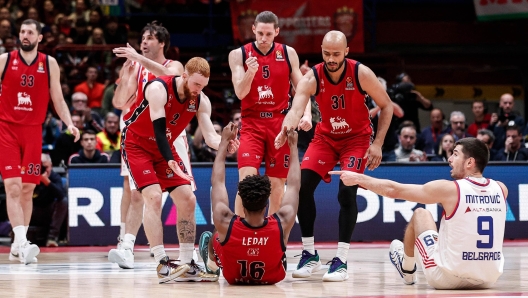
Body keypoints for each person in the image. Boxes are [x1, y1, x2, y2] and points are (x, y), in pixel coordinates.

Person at [274, 30, 394, 282]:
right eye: (326, 53)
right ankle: (309, 254)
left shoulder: (360, 72)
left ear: (347, 52)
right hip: (326, 138)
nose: (331, 58)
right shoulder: (312, 76)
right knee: (302, 187)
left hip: (357, 139)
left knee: (346, 191)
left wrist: (378, 144)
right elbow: (296, 109)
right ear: (321, 50)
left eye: (336, 54)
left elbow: (387, 105)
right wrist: (286, 129)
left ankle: (341, 260)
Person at [112, 57, 237, 283]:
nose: (199, 90)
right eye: (196, 85)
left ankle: (187, 262)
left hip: (164, 148)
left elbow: (209, 136)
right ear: (185, 76)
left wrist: (225, 144)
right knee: (153, 196)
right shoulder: (159, 88)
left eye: (203, 86)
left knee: (188, 199)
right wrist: (170, 160)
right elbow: (159, 131)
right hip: (137, 144)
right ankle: (162, 263)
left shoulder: (200, 100)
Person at [330, 137, 508, 289]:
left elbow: (394, 190)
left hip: (448, 278)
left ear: (470, 162)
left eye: (455, 154)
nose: (450, 159)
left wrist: (359, 178)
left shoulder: (450, 189)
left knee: (421, 214)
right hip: (488, 278)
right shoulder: (501, 189)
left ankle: (407, 269)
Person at [0, 19, 80, 265]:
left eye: (30, 32)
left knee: (27, 189)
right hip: (7, 130)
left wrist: (69, 123)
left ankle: (17, 243)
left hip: (34, 132)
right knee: (12, 187)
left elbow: (58, 98)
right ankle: (23, 243)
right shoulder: (4, 60)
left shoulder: (49, 63)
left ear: (39, 37)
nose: (25, 35)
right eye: (22, 31)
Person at [108, 21, 189, 259]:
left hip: (171, 135)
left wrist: (139, 59)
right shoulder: (135, 66)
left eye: (150, 38)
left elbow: (173, 76)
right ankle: (127, 245)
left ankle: (186, 252)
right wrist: (126, 76)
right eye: (142, 38)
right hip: (139, 136)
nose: (144, 42)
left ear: (162, 43)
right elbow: (118, 102)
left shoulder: (173, 65)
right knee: (135, 192)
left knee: (183, 193)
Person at [199, 124, 300, 285]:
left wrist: (224, 142)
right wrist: (293, 148)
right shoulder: (283, 221)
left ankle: (212, 265)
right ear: (266, 204)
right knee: (280, 241)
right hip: (271, 278)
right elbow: (294, 186)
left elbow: (217, 183)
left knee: (215, 235)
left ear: (242, 204)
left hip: (234, 278)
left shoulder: (225, 221)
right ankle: (275, 258)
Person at [228, 10, 307, 216]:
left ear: (277, 32)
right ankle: (239, 230)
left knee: (277, 183)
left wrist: (306, 114)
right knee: (246, 180)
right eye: (260, 33)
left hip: (280, 124)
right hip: (252, 123)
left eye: (268, 34)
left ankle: (273, 235)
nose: (263, 39)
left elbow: (302, 89)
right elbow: (239, 92)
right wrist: (250, 73)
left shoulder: (288, 53)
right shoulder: (239, 54)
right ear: (253, 29)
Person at [29, 154, 67, 247]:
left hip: (48, 211)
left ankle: (52, 238)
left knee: (64, 201)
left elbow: (61, 196)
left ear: (51, 165)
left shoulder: (54, 177)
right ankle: (17, 237)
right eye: (40, 167)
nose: (44, 170)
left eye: (46, 167)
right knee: (15, 201)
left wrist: (47, 182)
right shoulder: (29, 175)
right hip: (31, 211)